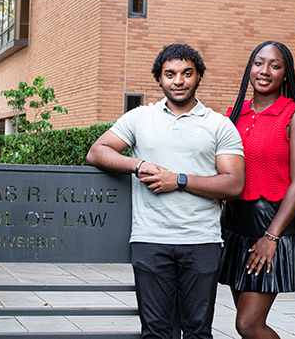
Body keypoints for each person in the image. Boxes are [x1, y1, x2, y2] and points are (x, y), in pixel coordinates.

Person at [86, 43, 245, 339]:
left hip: (201, 241)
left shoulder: (219, 125)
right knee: (155, 333)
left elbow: (234, 184)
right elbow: (97, 152)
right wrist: (138, 164)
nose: (179, 80)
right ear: (159, 78)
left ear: (199, 76)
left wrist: (179, 180)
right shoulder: (139, 118)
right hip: (150, 240)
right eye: (170, 74)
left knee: (198, 332)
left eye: (187, 73)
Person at [219, 41, 295, 339]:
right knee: (245, 323)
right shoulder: (235, 115)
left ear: (285, 75)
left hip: (273, 226)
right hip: (235, 225)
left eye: (275, 65)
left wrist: (271, 237)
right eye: (259, 63)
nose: (265, 71)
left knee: (248, 324)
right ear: (250, 67)